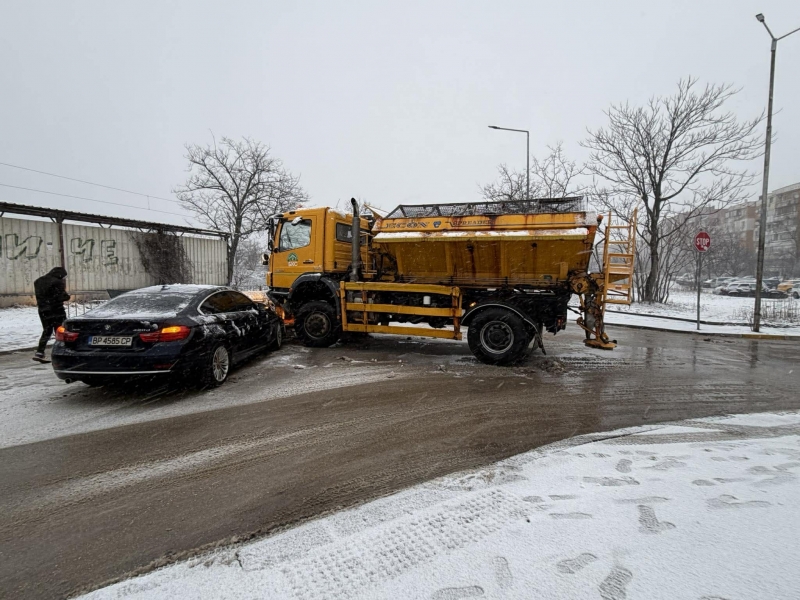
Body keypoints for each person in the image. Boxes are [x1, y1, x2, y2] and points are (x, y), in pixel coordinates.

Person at [33, 267, 70, 363]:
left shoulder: (38, 281)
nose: (63, 279)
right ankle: (65, 352)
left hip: (43, 310)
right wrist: (67, 297)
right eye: (63, 277)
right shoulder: (57, 282)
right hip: (56, 310)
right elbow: (61, 296)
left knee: (47, 331)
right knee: (62, 331)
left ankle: (40, 352)